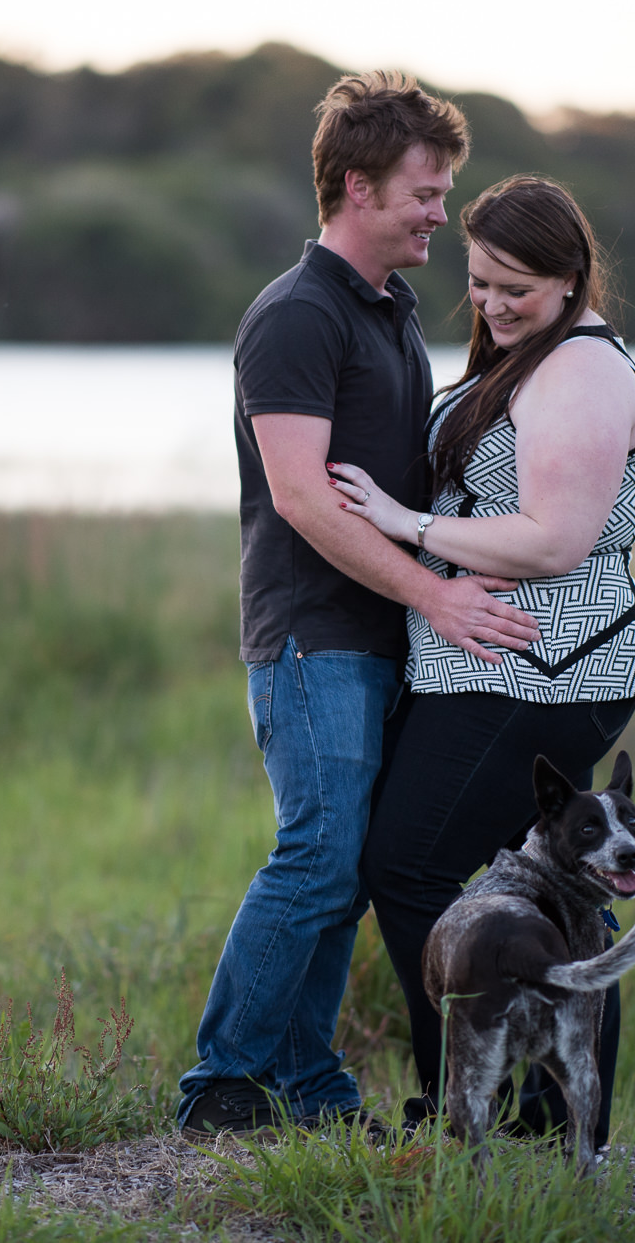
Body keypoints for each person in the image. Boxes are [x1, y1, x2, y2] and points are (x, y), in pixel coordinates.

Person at [177, 73, 543, 1137]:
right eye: (425, 193)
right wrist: (435, 592)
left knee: (345, 867)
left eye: (443, 192)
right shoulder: (294, 315)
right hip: (311, 637)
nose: (441, 213)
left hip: (382, 638)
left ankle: (308, 1082)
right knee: (318, 852)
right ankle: (222, 1084)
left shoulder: (385, 310)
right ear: (355, 186)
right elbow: (298, 496)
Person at [331, 174, 635, 1148]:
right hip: (499, 667)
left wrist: (405, 523)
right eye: (477, 283)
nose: (491, 303)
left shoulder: (582, 373)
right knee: (546, 884)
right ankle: (533, 1109)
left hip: (542, 671)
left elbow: (556, 538)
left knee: (413, 862)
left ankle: (489, 1102)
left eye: (515, 285)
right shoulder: (531, 354)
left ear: (570, 276)